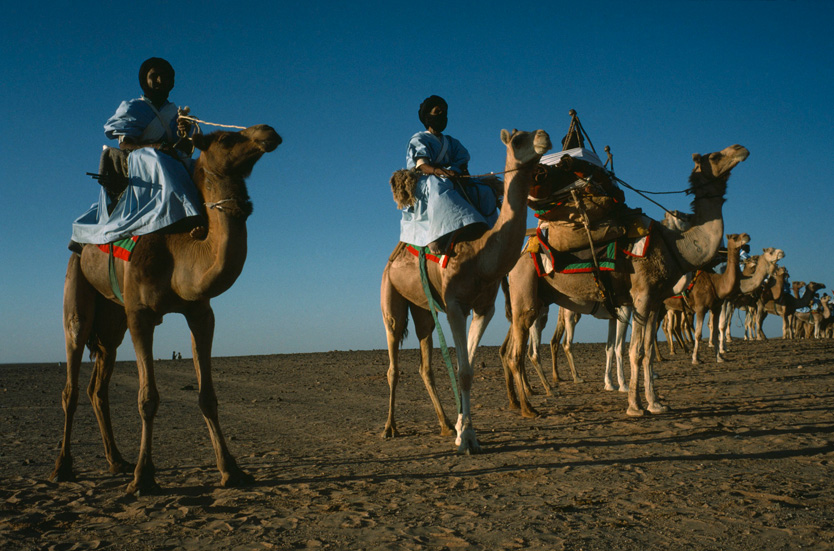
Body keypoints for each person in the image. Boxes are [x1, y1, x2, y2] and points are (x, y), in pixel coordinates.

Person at [70, 57, 203, 248]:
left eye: (164, 77)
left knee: (200, 166)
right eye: (154, 76)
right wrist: (157, 147)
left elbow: (185, 150)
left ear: (172, 82)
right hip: (142, 160)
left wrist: (184, 134)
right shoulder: (133, 108)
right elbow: (126, 145)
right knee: (157, 159)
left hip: (171, 160)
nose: (159, 81)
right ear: (144, 81)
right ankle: (178, 214)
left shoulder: (177, 114)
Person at [399, 95, 499, 254]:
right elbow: (421, 165)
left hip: (454, 178)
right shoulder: (419, 139)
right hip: (429, 180)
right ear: (427, 116)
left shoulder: (451, 142)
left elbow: (462, 161)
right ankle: (441, 233)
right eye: (437, 112)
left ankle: (490, 231)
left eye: (444, 112)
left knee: (483, 190)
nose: (442, 116)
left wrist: (461, 173)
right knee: (439, 185)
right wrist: (440, 171)